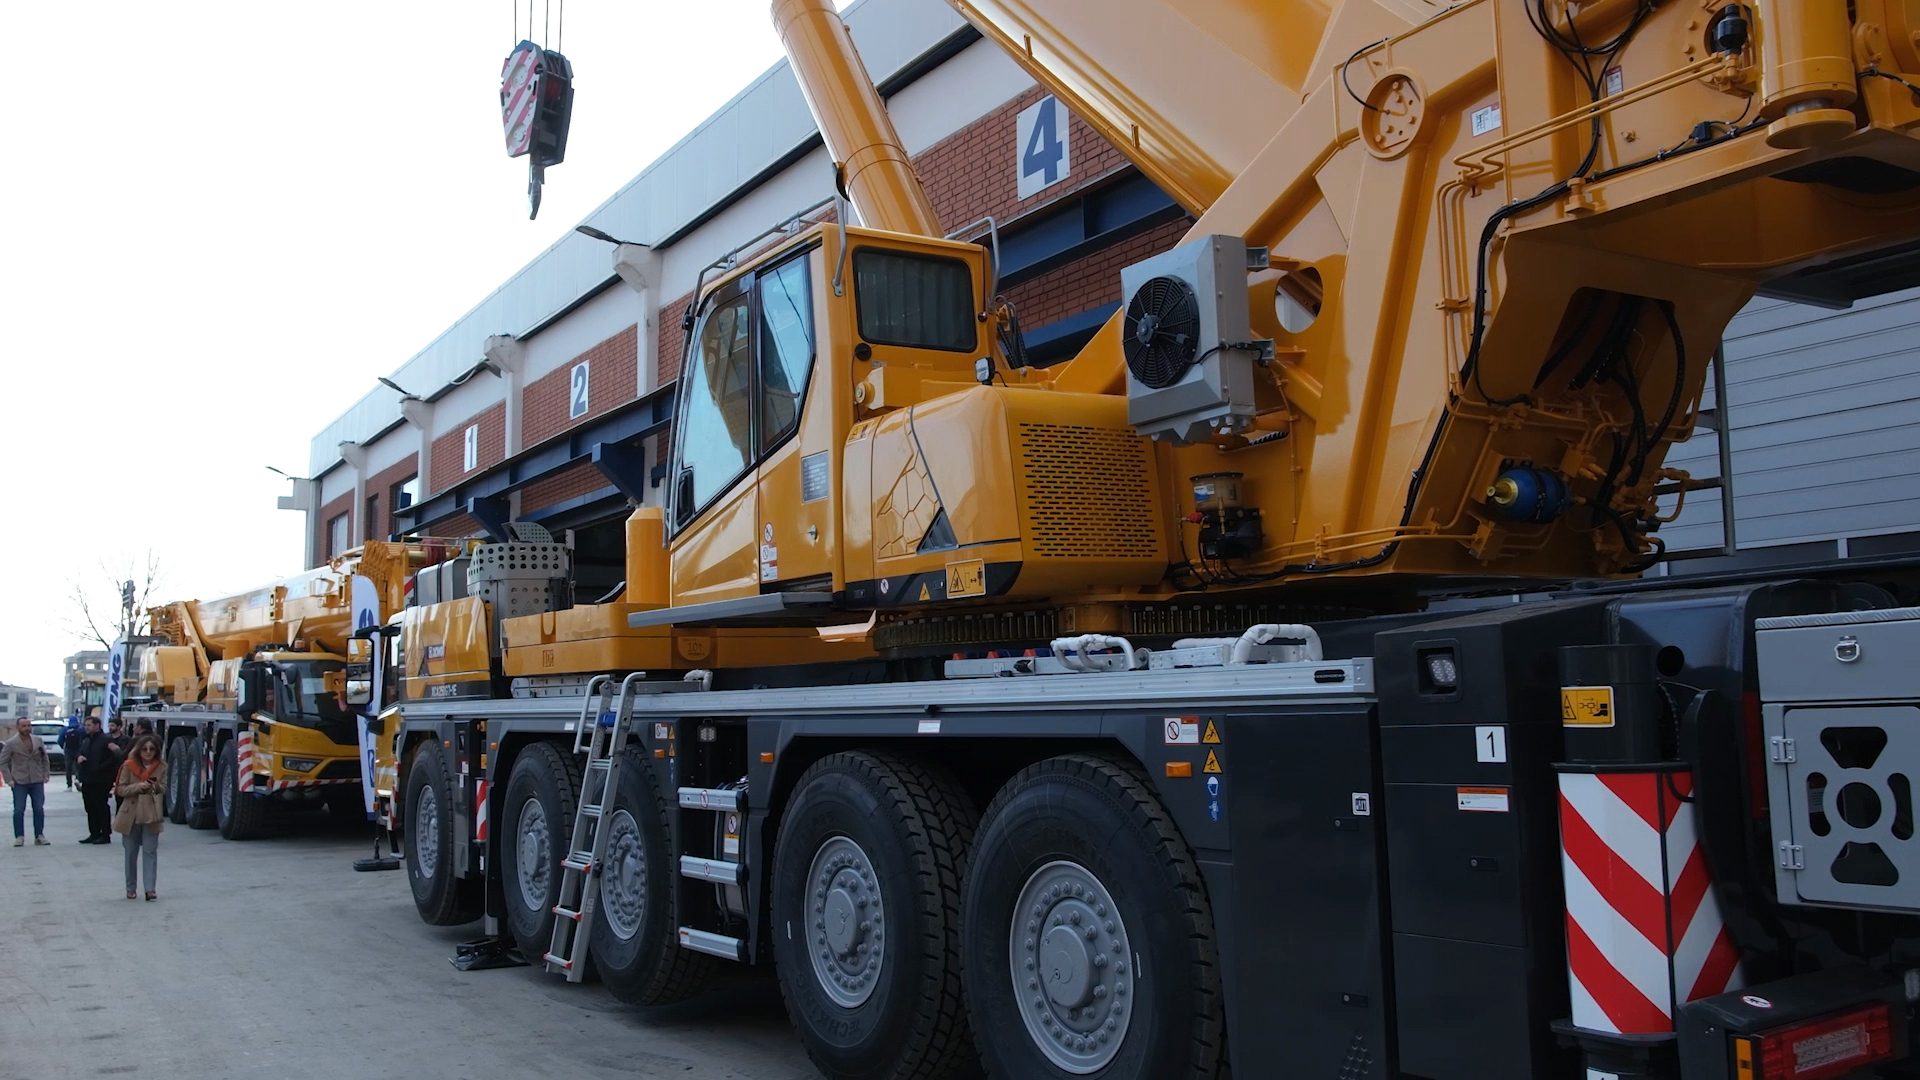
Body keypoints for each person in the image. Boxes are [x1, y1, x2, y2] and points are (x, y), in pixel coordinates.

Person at [113, 735, 166, 901]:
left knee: (150, 852)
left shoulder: (161, 766)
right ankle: (131, 888)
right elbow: (120, 789)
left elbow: (164, 788)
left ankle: (150, 889)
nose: (148, 752)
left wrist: (155, 786)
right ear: (139, 750)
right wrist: (138, 786)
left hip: (151, 814)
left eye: (152, 749)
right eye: (145, 749)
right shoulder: (129, 766)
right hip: (131, 814)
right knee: (130, 853)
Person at [0, 717, 52, 846]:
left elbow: (45, 758)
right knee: (18, 810)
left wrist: (46, 774)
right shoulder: (11, 743)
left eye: (29, 725)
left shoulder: (38, 740)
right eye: (24, 726)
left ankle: (39, 835)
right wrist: (9, 779)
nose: (27, 728)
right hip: (19, 781)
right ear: (18, 727)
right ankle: (19, 836)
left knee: (39, 809)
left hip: (37, 779)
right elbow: (3, 762)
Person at [73, 714, 118, 843]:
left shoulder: (106, 740)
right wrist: (79, 757)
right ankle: (94, 833)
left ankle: (105, 834)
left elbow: (113, 758)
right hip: (87, 778)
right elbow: (79, 752)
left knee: (101, 806)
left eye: (89, 725)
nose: (86, 728)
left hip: (101, 779)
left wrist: (100, 767)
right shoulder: (86, 739)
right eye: (85, 725)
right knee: (90, 807)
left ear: (97, 726)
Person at [61, 713, 82, 789]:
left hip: (68, 751)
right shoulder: (80, 729)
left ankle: (69, 785)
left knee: (68, 768)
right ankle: (77, 779)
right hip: (79, 750)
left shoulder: (65, 730)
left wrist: (64, 747)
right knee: (78, 766)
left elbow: (60, 740)